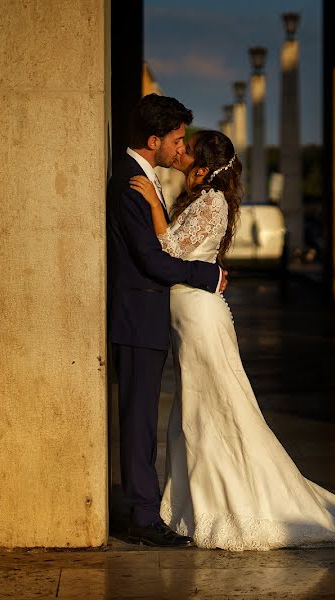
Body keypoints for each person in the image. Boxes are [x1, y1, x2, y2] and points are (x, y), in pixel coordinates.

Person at [129, 130, 335, 551]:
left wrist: (153, 204)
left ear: (204, 168)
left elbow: (168, 249)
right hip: (189, 315)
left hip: (200, 317)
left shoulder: (211, 202)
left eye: (187, 150)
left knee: (217, 407)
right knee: (196, 409)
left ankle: (230, 504)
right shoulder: (204, 200)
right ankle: (197, 501)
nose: (180, 152)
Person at [107, 94, 228, 547]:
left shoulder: (145, 178)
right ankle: (142, 517)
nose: (181, 148)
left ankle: (148, 508)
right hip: (138, 316)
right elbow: (151, 260)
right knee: (139, 421)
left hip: (150, 316)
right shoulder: (128, 183)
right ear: (154, 140)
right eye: (177, 139)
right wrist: (208, 274)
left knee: (145, 419)